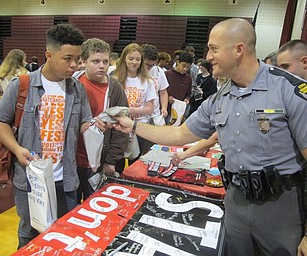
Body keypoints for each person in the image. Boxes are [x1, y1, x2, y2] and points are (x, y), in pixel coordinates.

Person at [111, 18, 307, 256]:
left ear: (238, 49)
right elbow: (180, 133)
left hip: (280, 207)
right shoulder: (221, 97)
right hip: (236, 199)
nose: (209, 55)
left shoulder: (289, 90)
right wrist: (132, 126)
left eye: (214, 48)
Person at [0, 23, 102, 249]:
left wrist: (97, 126)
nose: (74, 65)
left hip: (67, 178)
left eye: (78, 58)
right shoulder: (22, 85)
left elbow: (83, 124)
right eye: (67, 58)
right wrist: (16, 149)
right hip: (31, 179)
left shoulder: (77, 89)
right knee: (29, 231)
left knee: (63, 231)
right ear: (49, 55)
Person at [73, 38, 128, 203]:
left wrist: (111, 160)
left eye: (105, 61)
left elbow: (122, 127)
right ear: (83, 61)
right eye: (96, 61)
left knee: (96, 206)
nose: (102, 66)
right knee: (70, 211)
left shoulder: (115, 88)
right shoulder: (72, 84)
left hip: (99, 161)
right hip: (73, 160)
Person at [113, 43, 157, 156]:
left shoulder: (148, 81)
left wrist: (131, 111)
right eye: (131, 59)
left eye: (137, 59)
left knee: (136, 158)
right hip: (119, 127)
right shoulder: (115, 79)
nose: (134, 62)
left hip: (139, 127)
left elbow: (150, 108)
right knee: (117, 158)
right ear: (124, 59)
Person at [142, 44, 169, 121]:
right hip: (140, 115)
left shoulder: (159, 71)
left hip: (155, 114)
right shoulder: (135, 71)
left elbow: (163, 92)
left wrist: (164, 107)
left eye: (152, 65)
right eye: (146, 64)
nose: (149, 67)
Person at [165, 51, 193, 124]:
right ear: (178, 62)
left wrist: (187, 99)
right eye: (183, 66)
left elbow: (188, 94)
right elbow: (160, 92)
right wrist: (167, 98)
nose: (185, 69)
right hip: (166, 111)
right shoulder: (167, 74)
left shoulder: (188, 78)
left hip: (179, 112)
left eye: (188, 67)